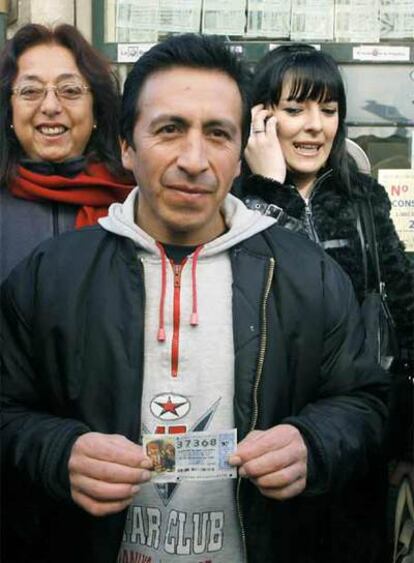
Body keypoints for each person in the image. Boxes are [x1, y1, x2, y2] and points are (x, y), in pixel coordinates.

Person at [1, 34, 389, 563]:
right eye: (169, 129)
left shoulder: (307, 275)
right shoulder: (50, 277)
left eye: (217, 134)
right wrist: (57, 451)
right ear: (126, 145)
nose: (193, 159)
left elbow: (365, 399)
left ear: (240, 153)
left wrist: (314, 443)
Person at [238, 43, 414, 562]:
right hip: (266, 433)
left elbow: (402, 307)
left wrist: (402, 437)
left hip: (356, 428)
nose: (315, 126)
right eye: (295, 110)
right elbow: (263, 293)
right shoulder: (235, 201)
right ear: (261, 117)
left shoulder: (363, 197)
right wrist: (271, 190)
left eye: (328, 110)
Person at [0, 23, 133, 282]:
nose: (50, 106)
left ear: (96, 109)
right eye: (30, 91)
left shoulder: (133, 204)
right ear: (9, 112)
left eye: (70, 90)